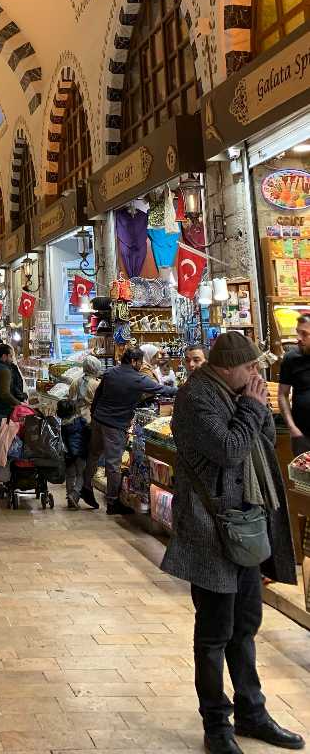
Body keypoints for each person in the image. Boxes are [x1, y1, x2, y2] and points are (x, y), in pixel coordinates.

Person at [161, 332, 303, 754]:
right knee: (213, 635)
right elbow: (228, 450)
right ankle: (216, 725)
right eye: (251, 368)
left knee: (245, 627)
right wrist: (252, 406)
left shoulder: (238, 393)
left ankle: (252, 713)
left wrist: (253, 407)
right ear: (228, 368)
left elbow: (257, 439)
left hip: (245, 528)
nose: (257, 375)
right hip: (210, 533)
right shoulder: (195, 399)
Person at [81, 347, 163, 515]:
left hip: (99, 420)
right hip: (115, 425)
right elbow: (161, 389)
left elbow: (98, 395)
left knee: (94, 454)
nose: (141, 365)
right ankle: (112, 502)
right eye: (140, 362)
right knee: (113, 464)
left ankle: (86, 486)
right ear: (134, 361)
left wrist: (95, 413)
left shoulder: (110, 373)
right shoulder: (137, 378)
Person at [278, 313, 310, 456]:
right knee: (301, 477)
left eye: (304, 334)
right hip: (301, 435)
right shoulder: (291, 358)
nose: (298, 338)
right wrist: (292, 428)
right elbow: (282, 395)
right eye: (298, 332)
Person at [57, 398, 92, 510]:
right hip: (80, 452)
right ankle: (75, 494)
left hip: (67, 454)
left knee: (70, 475)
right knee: (81, 474)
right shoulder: (80, 421)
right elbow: (89, 432)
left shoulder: (61, 426)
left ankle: (69, 497)